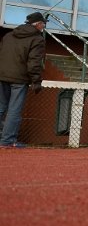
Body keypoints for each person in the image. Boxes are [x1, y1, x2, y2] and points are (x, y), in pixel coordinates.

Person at [0, 11, 46, 148]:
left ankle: (5, 139)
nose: (44, 27)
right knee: (14, 110)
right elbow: (34, 63)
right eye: (43, 24)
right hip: (19, 79)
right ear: (38, 24)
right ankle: (7, 141)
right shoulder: (37, 39)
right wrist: (36, 81)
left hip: (2, 75)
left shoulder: (8, 35)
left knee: (1, 107)